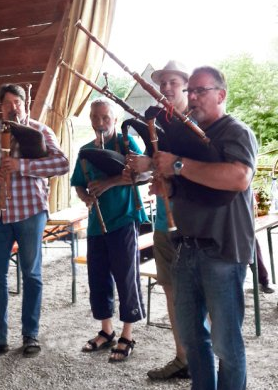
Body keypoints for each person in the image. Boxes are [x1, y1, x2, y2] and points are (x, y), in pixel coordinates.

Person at [152, 66, 254, 390]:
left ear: (220, 95)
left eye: (200, 91)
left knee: (226, 343)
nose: (192, 97)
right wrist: (167, 183)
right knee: (193, 339)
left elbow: (239, 177)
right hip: (185, 248)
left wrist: (178, 165)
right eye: (190, 91)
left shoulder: (236, 132)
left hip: (222, 250)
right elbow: (188, 183)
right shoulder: (186, 134)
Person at [0, 84, 70, 357]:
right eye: (7, 103)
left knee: (31, 274)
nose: (12, 108)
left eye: (17, 102)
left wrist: (21, 165)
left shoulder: (39, 130)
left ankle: (30, 336)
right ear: (1, 107)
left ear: (25, 104)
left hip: (30, 212)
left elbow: (62, 164)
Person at [70, 99, 147, 363]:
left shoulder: (126, 144)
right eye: (95, 117)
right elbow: (79, 183)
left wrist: (109, 183)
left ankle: (128, 334)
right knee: (98, 276)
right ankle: (107, 330)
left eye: (105, 117)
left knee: (126, 276)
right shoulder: (86, 150)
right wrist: (86, 197)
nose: (100, 122)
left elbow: (144, 175)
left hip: (124, 217)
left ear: (114, 119)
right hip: (96, 224)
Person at [141, 60, 195, 381]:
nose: (166, 88)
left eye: (173, 82)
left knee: (201, 293)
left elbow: (201, 169)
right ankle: (183, 357)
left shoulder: (200, 122)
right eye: (162, 83)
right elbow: (158, 164)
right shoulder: (158, 122)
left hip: (193, 223)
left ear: (187, 85)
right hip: (164, 220)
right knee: (171, 290)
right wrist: (146, 165)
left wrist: (168, 171)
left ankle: (209, 361)